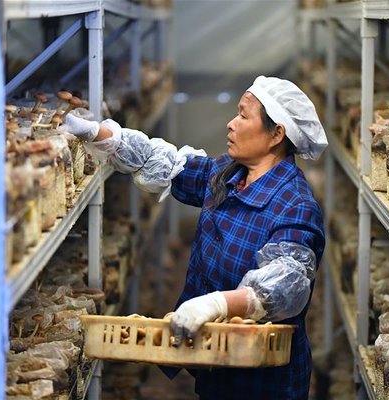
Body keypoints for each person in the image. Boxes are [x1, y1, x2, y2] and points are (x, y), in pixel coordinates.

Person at [64, 76, 328, 399]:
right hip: (217, 365)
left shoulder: (295, 204)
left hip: (265, 381)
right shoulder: (229, 174)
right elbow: (169, 165)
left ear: (276, 134)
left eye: (243, 116)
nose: (231, 124)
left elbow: (286, 286)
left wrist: (217, 303)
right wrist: (102, 135)